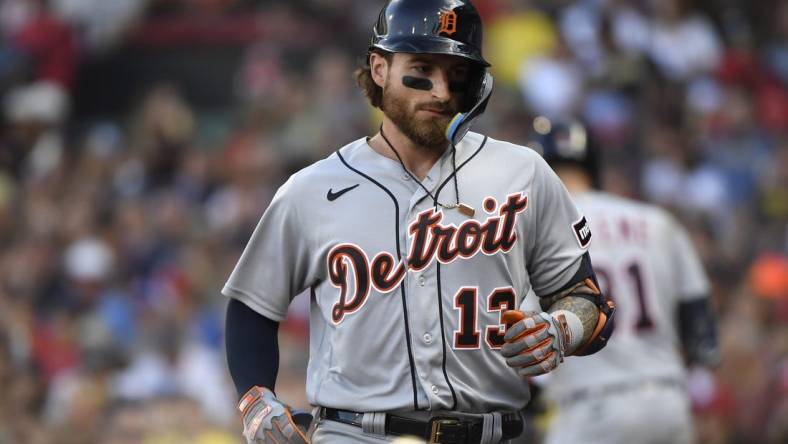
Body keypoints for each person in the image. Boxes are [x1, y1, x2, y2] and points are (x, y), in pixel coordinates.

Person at [221, 1, 614, 443]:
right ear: (379, 67)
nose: (441, 91)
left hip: (491, 432)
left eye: (457, 73)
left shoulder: (522, 173)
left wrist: (562, 327)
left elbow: (587, 299)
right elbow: (252, 307)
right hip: (356, 433)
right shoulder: (312, 190)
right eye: (422, 68)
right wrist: (256, 399)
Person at [529, 118, 721, 444]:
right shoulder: (657, 222)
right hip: (667, 403)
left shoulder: (537, 235)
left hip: (590, 407)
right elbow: (703, 338)